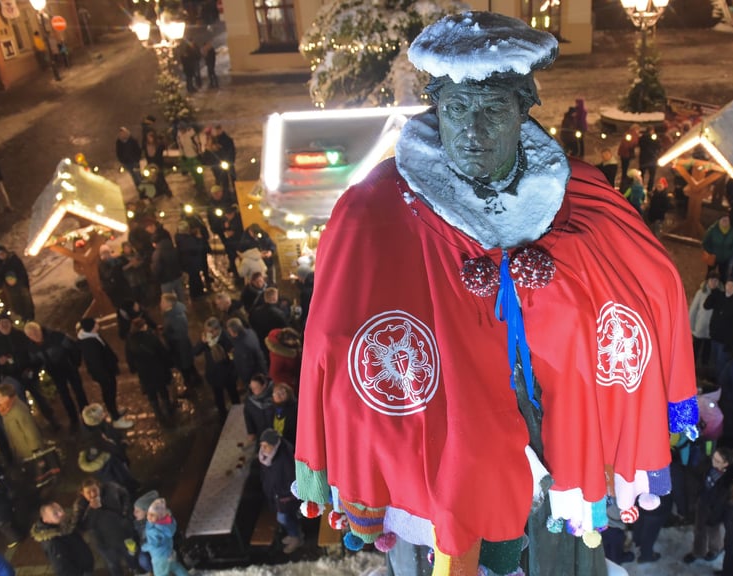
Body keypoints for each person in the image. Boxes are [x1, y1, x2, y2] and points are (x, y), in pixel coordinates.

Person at [292, 12, 698, 573]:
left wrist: (553, 285)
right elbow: (334, 344)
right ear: (437, 108)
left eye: (492, 110)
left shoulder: (580, 195)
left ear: (522, 110)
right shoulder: (375, 211)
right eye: (457, 109)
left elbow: (648, 288)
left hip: (557, 465)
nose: (473, 132)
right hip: (437, 462)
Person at [24, 322, 89, 429]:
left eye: (35, 332)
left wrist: (75, 363)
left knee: (79, 391)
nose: (35, 336)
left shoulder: (55, 336)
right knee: (64, 396)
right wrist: (32, 371)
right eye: (31, 335)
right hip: (55, 372)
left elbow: (73, 347)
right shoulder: (32, 347)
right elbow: (36, 361)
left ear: (40, 329)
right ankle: (74, 420)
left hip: (69, 367)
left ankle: (86, 414)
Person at [683, 447, 733, 565]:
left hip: (716, 511)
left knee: (714, 532)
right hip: (703, 503)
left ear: (726, 464)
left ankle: (715, 550)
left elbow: (724, 502)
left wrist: (715, 515)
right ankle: (697, 552)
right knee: (699, 529)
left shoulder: (729, 481)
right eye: (714, 458)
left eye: (718, 461)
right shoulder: (709, 465)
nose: (714, 462)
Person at [72, 477, 135, 576]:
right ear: (82, 493)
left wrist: (126, 512)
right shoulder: (80, 505)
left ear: (99, 487)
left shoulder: (111, 488)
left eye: (94, 490)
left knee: (130, 555)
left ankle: (134, 569)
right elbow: (82, 527)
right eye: (88, 492)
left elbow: (124, 494)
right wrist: (91, 509)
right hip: (103, 541)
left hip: (123, 532)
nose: (93, 494)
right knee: (113, 563)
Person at [258, 428, 303, 553]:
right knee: (287, 517)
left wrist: (281, 494)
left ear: (274, 445)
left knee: (282, 518)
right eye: (262, 445)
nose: (263, 449)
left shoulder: (285, 458)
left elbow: (292, 480)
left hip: (285, 497)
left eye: (266, 446)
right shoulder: (266, 457)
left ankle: (296, 538)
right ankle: (295, 533)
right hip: (276, 496)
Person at [125, 318, 175, 421]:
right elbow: (162, 352)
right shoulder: (150, 337)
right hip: (157, 368)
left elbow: (129, 357)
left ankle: (157, 412)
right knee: (162, 389)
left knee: (151, 392)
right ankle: (168, 409)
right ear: (142, 327)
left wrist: (133, 369)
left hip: (144, 372)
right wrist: (169, 363)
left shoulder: (129, 340)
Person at [31, 501, 95, 576]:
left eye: (60, 509)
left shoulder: (62, 524)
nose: (61, 514)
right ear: (45, 519)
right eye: (55, 514)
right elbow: (62, 569)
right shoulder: (53, 543)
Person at [193, 317, 241, 415]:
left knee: (233, 395)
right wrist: (202, 343)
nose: (207, 334)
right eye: (206, 331)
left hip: (228, 374)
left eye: (209, 331)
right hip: (214, 375)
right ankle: (222, 415)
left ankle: (238, 413)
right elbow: (195, 352)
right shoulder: (206, 339)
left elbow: (233, 355)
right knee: (218, 397)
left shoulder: (226, 337)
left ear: (216, 330)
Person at [705, 280, 733, 377]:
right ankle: (711, 379)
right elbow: (706, 305)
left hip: (725, 341)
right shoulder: (720, 296)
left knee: (721, 364)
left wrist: (730, 343)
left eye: (732, 285)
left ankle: (719, 384)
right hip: (714, 336)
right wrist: (713, 292)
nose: (729, 287)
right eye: (728, 284)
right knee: (713, 360)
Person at [161, 292, 203, 391]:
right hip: (179, 346)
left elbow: (180, 334)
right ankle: (197, 379)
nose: (161, 304)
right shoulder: (171, 314)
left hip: (180, 347)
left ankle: (190, 386)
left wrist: (167, 334)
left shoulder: (176, 317)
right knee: (188, 365)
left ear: (169, 303)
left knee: (185, 367)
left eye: (162, 301)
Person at [0, 383, 43, 461]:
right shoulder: (5, 410)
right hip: (21, 451)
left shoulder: (17, 410)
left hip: (30, 452)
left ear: (6, 398)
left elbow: (29, 429)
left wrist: (35, 448)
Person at [144, 498, 190, 576]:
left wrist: (144, 547)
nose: (148, 517)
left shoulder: (153, 530)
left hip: (159, 558)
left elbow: (155, 544)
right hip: (169, 553)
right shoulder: (169, 523)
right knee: (175, 567)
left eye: (151, 514)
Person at [689, 273, 720, 377]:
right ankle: (691, 366)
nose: (713, 283)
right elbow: (693, 310)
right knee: (695, 348)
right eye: (712, 280)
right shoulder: (700, 293)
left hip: (710, 329)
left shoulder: (720, 294)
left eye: (715, 281)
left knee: (707, 350)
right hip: (699, 327)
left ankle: (703, 368)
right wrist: (691, 325)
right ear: (707, 281)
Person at [226, 318, 267, 388]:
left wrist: (246, 380)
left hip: (255, 378)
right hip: (262, 368)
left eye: (229, 331)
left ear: (233, 332)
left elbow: (247, 367)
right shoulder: (250, 332)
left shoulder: (242, 346)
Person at [702, 214, 733, 282]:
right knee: (710, 274)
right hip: (713, 257)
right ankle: (707, 287)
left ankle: (721, 289)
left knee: (723, 275)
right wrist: (711, 252)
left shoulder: (732, 232)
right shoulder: (712, 230)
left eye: (727, 220)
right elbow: (705, 243)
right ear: (719, 220)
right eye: (723, 220)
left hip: (725, 259)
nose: (725, 222)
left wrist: (729, 254)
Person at [265, 328, 301, 392]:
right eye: (292, 340)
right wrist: (292, 381)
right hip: (294, 384)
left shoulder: (292, 346)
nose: (295, 341)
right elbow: (274, 374)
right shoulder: (277, 356)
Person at [244, 374, 274, 446]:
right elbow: (248, 417)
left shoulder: (275, 396)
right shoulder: (250, 400)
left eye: (256, 388)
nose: (253, 390)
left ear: (264, 386)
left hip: (275, 431)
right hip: (260, 432)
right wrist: (251, 431)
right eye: (251, 387)